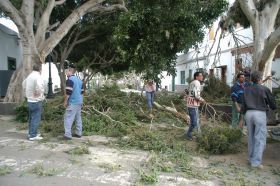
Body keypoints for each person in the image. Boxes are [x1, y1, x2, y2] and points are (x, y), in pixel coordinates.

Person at [241, 71, 276, 169]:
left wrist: (242, 114)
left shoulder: (246, 89)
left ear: (252, 79)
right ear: (260, 79)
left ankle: (251, 158)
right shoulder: (264, 89)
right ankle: (255, 162)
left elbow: (243, 103)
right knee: (260, 138)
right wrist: (273, 108)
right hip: (259, 113)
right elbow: (272, 103)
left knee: (251, 137)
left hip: (248, 114)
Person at [22, 62, 45, 141]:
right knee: (36, 118)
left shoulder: (30, 76)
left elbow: (23, 84)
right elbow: (40, 86)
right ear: (40, 69)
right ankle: (33, 135)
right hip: (36, 100)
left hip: (30, 100)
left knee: (32, 118)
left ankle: (31, 133)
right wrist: (38, 92)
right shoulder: (37, 76)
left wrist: (28, 92)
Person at [63, 66, 84, 140]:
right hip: (79, 102)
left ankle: (67, 135)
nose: (65, 73)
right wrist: (82, 102)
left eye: (66, 71)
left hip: (73, 102)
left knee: (67, 117)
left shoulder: (70, 80)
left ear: (70, 71)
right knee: (78, 118)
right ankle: (79, 133)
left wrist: (65, 102)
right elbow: (82, 93)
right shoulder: (80, 81)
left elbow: (68, 92)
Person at [184, 72, 205, 140]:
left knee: (195, 121)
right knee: (194, 122)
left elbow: (188, 92)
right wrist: (202, 100)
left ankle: (198, 134)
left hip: (190, 104)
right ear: (196, 77)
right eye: (200, 76)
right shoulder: (197, 83)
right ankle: (189, 135)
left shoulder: (192, 82)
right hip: (193, 105)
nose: (202, 77)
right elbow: (196, 95)